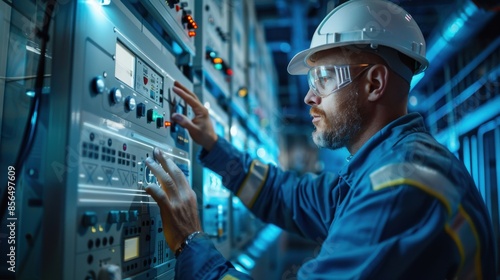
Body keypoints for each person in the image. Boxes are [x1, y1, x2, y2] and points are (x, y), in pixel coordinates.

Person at [144, 0, 498, 279]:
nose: (309, 98)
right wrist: (213, 146)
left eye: (324, 78)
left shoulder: (401, 187)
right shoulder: (379, 170)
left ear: (374, 83)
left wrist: (191, 243)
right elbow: (287, 196)